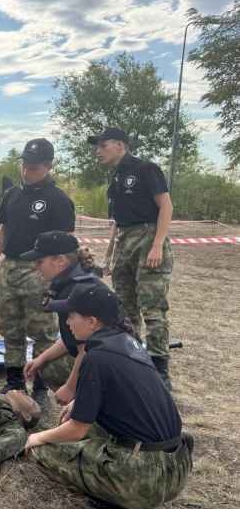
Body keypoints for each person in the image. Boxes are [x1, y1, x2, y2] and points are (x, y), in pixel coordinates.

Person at [26, 283, 192, 509]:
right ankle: (122, 491)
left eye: (72, 316)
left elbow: (77, 430)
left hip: (150, 477)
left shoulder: (97, 358)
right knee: (77, 419)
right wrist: (79, 401)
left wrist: (40, 436)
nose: (67, 322)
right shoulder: (127, 340)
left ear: (91, 322)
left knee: (42, 450)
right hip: (177, 463)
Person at [0, 139, 75, 408]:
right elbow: (4, 231)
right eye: (23, 165)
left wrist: (59, 276)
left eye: (33, 167)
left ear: (48, 166)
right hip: (10, 268)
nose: (26, 172)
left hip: (39, 271)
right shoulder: (12, 194)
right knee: (10, 328)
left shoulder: (59, 200)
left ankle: (41, 389)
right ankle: (14, 383)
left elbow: (66, 244)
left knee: (42, 332)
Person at [91, 127, 175, 389]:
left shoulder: (144, 168)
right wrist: (108, 253)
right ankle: (134, 359)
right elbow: (118, 221)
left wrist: (157, 245)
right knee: (125, 309)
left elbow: (166, 206)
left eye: (103, 145)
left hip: (148, 237)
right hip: (125, 240)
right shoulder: (116, 177)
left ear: (119, 144)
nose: (98, 151)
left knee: (153, 307)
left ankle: (160, 368)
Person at [20, 231, 110, 407]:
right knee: (47, 364)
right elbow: (74, 338)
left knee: (53, 369)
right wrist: (42, 358)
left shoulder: (73, 291)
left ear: (61, 261)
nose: (35, 266)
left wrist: (70, 388)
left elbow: (86, 349)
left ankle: (95, 423)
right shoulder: (71, 284)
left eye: (40, 261)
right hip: (109, 361)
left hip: (108, 367)